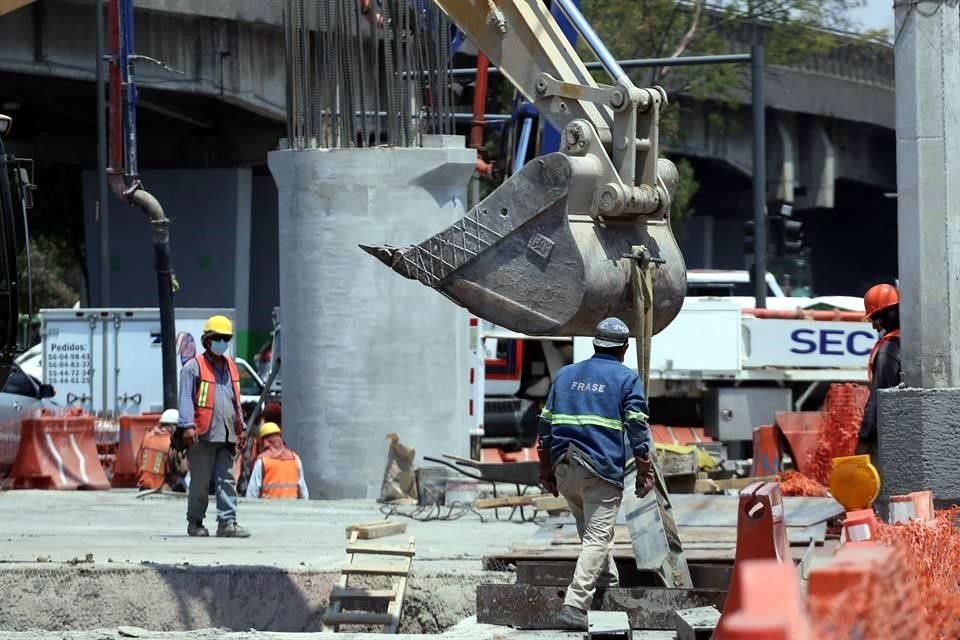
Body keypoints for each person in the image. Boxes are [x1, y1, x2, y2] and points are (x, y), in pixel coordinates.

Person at [537, 317, 653, 630]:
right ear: (625, 349)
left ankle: (607, 585)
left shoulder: (565, 375)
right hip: (600, 471)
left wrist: (546, 469)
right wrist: (645, 470)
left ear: (595, 344)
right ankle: (575, 606)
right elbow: (638, 427)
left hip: (564, 467)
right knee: (596, 538)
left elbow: (545, 426)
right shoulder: (626, 378)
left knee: (592, 534)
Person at [177, 314, 250, 538]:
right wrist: (187, 426)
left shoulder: (231, 366)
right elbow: (186, 399)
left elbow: (235, 399)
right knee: (199, 482)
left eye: (226, 338)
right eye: (218, 338)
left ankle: (227, 522)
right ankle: (195, 522)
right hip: (202, 433)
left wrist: (241, 426)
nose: (222, 342)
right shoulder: (193, 367)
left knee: (227, 479)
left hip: (227, 432)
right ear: (207, 340)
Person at [856, 284, 902, 462]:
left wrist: (864, 439)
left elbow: (878, 398)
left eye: (876, 318)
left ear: (891, 312)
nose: (874, 326)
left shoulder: (889, 349)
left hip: (888, 438)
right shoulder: (908, 343)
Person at [245, 422, 308, 499]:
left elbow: (252, 494)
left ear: (264, 441)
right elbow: (304, 493)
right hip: (292, 509)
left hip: (268, 509)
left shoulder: (263, 461)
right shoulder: (295, 459)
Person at [136, 409, 180, 491]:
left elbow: (138, 461)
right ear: (172, 426)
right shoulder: (171, 442)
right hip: (161, 487)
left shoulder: (147, 437)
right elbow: (181, 470)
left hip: (143, 485)